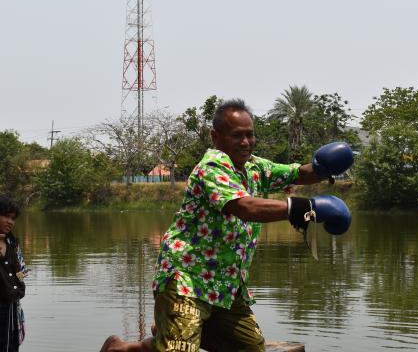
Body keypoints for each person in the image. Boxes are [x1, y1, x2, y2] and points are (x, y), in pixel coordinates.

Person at [100, 99, 352, 352]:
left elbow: (296, 174)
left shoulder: (255, 167)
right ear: (216, 137)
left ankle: (166, 332)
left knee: (251, 350)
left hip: (227, 285)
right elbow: (244, 207)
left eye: (250, 135)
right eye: (237, 136)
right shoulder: (212, 167)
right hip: (187, 279)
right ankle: (171, 328)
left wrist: (321, 168)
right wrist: (305, 209)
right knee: (179, 348)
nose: (246, 142)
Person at [0, 195, 27, 352]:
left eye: (13, 218)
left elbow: (21, 272)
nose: (10, 221)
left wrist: (20, 284)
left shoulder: (13, 244)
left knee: (10, 346)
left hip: (11, 306)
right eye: (5, 216)